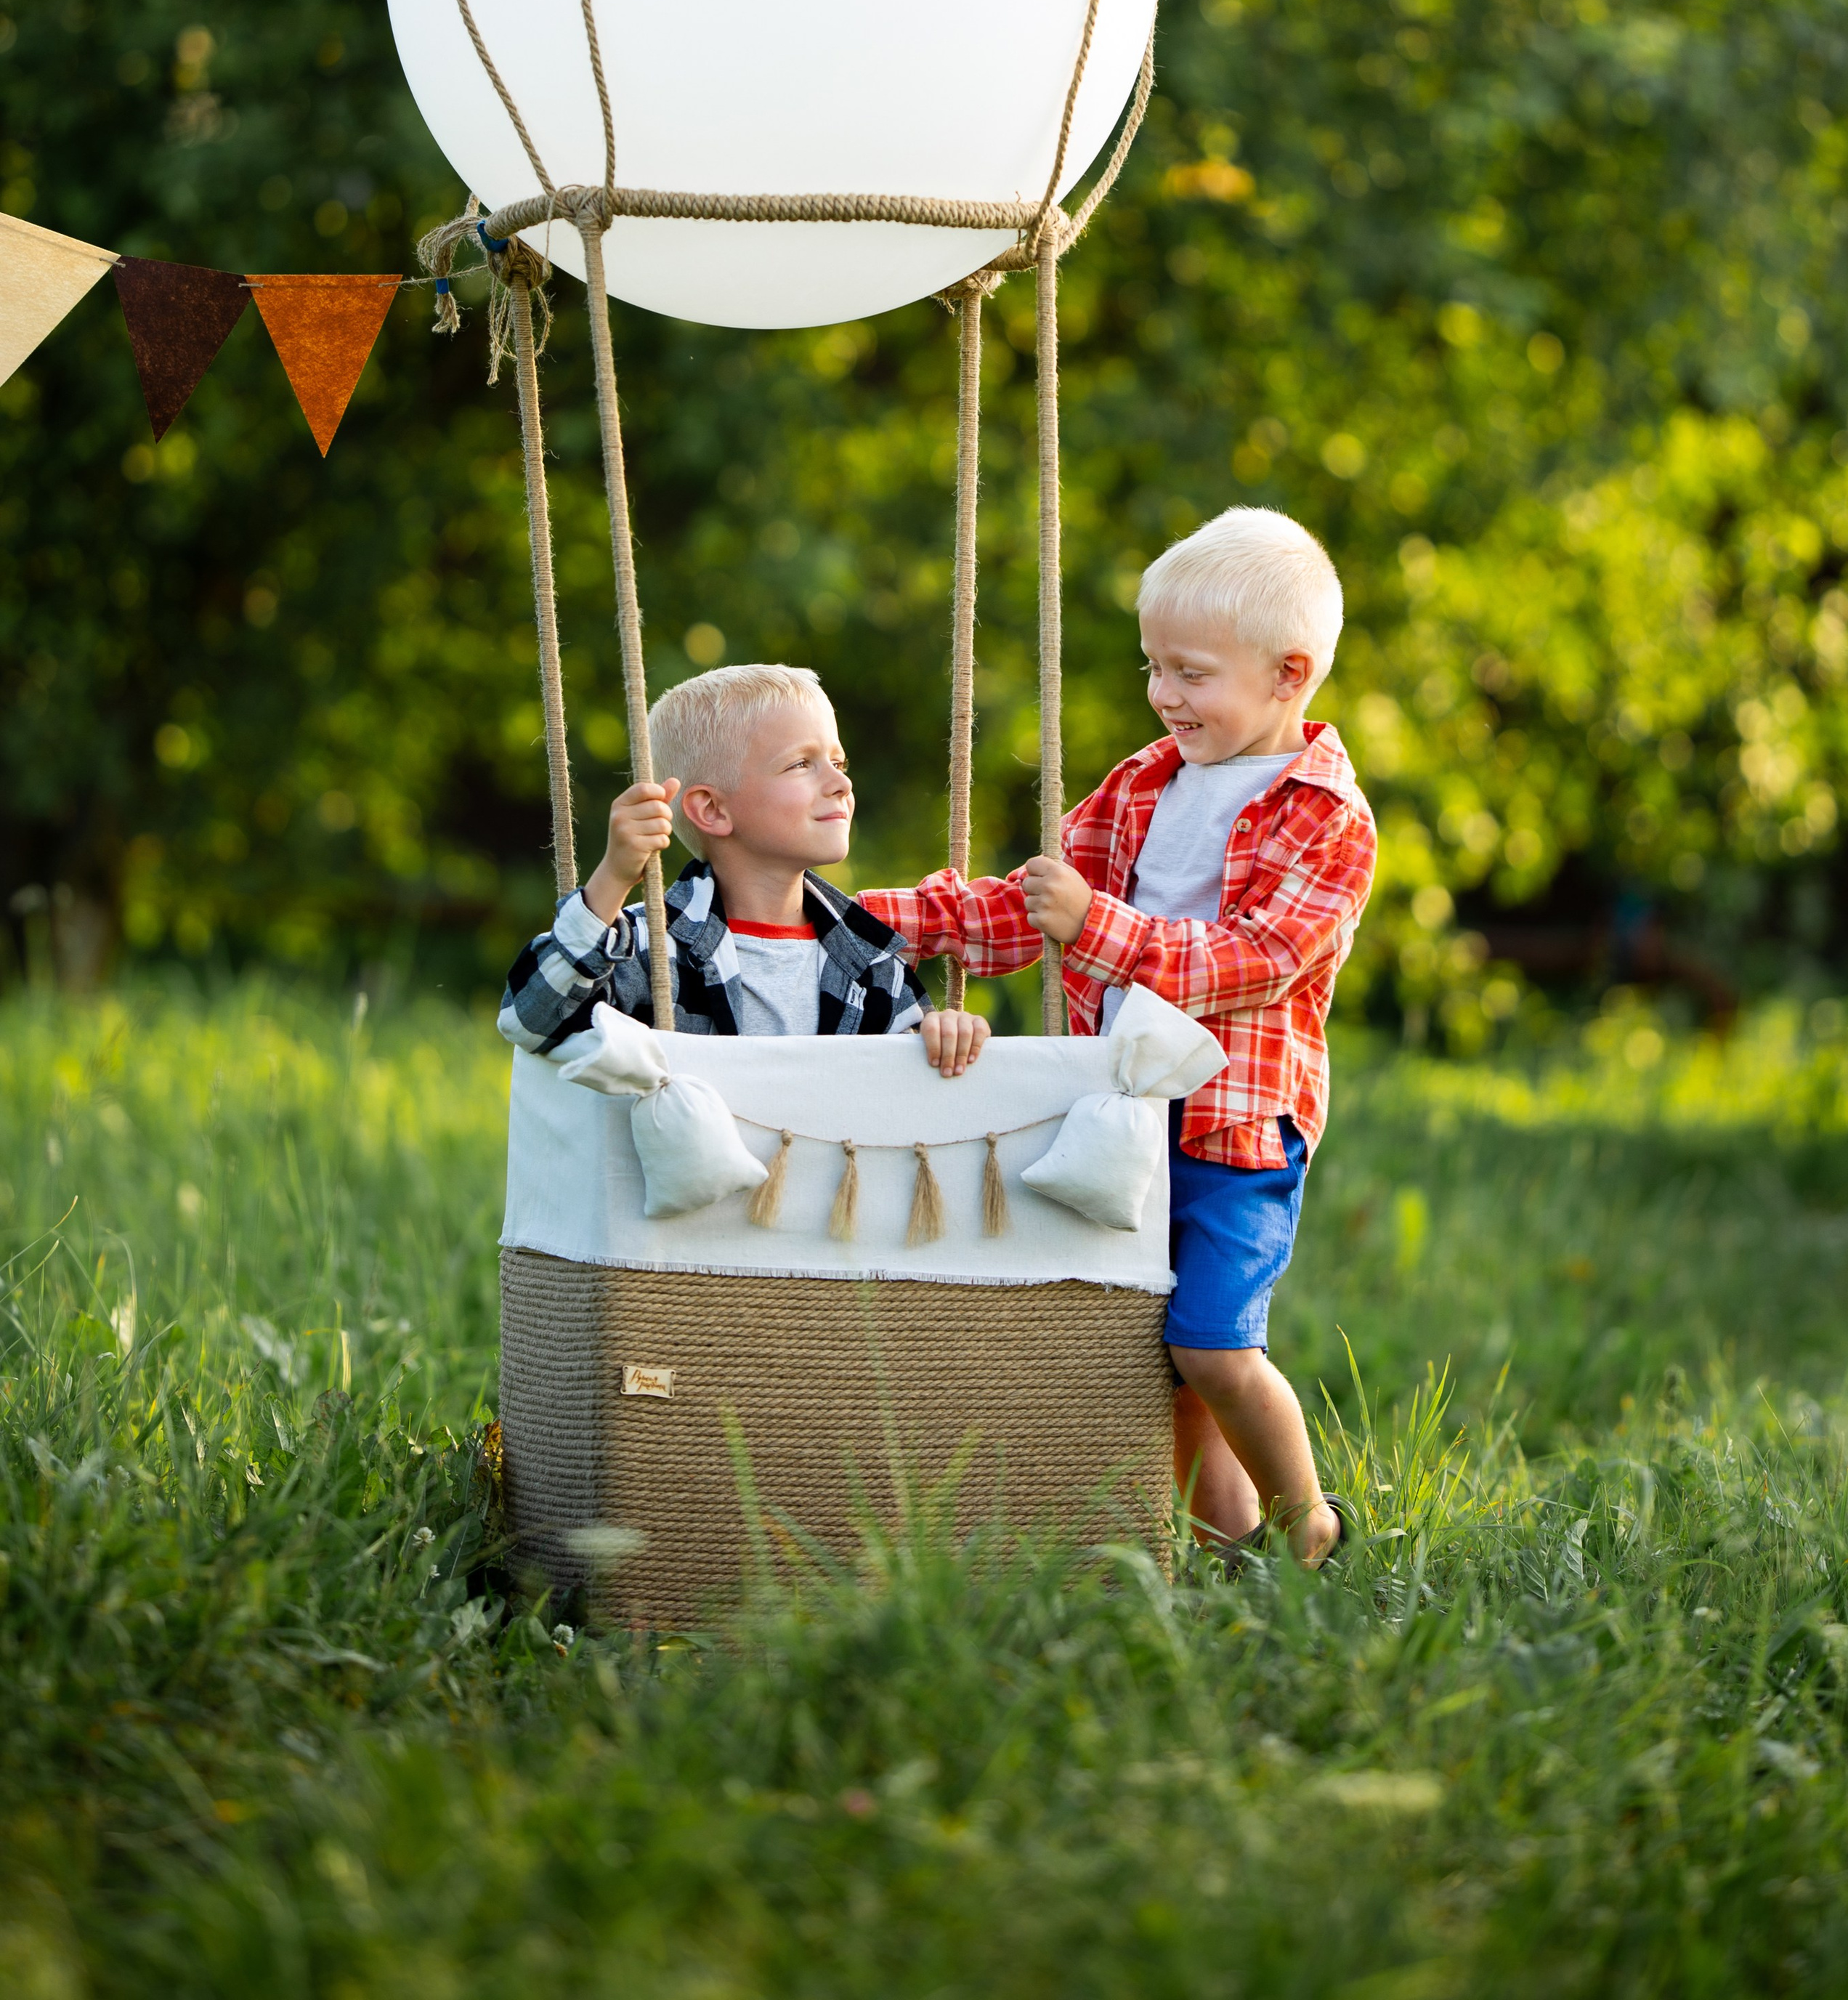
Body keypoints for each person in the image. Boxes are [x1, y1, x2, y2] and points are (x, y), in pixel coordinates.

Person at [859, 507, 1376, 1568]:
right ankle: (1225, 1550)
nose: (1163, 695)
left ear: (1289, 674)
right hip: (1131, 1110)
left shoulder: (1326, 817)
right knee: (1156, 1351)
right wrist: (861, 919)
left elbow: (1257, 959)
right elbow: (1026, 906)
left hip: (1239, 1122)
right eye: (1153, 667)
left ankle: (1308, 1524)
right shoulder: (1144, 784)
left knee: (1212, 1342)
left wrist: (1101, 927)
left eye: (1191, 673)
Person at [499, 661, 989, 1072]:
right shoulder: (650, 952)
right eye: (802, 764)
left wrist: (938, 1033)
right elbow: (531, 1020)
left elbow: (897, 1102)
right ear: (713, 810)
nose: (840, 783)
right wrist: (613, 876)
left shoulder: (873, 960)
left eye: (839, 762)